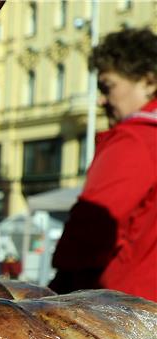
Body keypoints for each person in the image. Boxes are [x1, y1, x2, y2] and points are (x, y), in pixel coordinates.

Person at [50, 27, 157, 301]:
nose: (101, 100)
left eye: (108, 87)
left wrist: (55, 290)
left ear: (148, 82)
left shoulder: (135, 140)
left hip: (120, 308)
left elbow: (90, 228)